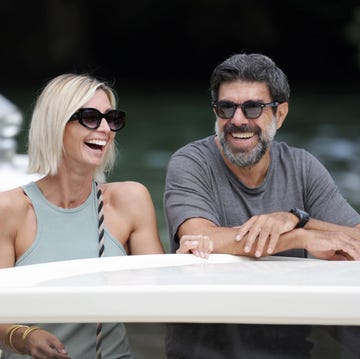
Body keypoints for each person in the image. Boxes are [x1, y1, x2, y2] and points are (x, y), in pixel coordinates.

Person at [164, 53, 360, 358]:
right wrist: (299, 237)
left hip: (290, 351)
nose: (238, 120)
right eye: (226, 107)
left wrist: (296, 219)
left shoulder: (302, 166)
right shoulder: (190, 163)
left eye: (253, 108)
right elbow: (201, 240)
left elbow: (355, 238)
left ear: (279, 114)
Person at [0, 73, 203, 359]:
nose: (106, 129)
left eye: (112, 118)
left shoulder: (130, 200)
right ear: (56, 123)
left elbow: (159, 296)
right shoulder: (10, 210)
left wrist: (182, 262)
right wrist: (25, 336)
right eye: (91, 117)